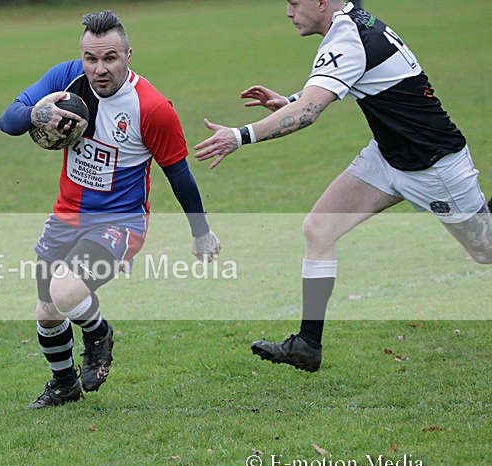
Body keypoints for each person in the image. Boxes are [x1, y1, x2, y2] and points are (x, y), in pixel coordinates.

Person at [194, 1, 491, 372]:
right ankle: (307, 345)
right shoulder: (350, 26)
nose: (289, 12)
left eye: (294, 2)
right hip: (388, 157)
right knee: (319, 228)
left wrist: (239, 136)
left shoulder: (348, 35)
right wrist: (287, 101)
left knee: (485, 251)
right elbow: (325, 92)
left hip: (434, 167)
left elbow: (310, 111)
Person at [0, 10, 221, 407]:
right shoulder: (64, 79)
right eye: (91, 58)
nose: (99, 69)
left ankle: (98, 333)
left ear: (128, 55)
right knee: (47, 311)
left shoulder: (151, 108)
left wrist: (201, 232)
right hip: (67, 213)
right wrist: (38, 113)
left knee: (66, 292)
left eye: (110, 58)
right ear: (82, 56)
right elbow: (7, 121)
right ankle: (64, 385)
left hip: (120, 222)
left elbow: (180, 176)